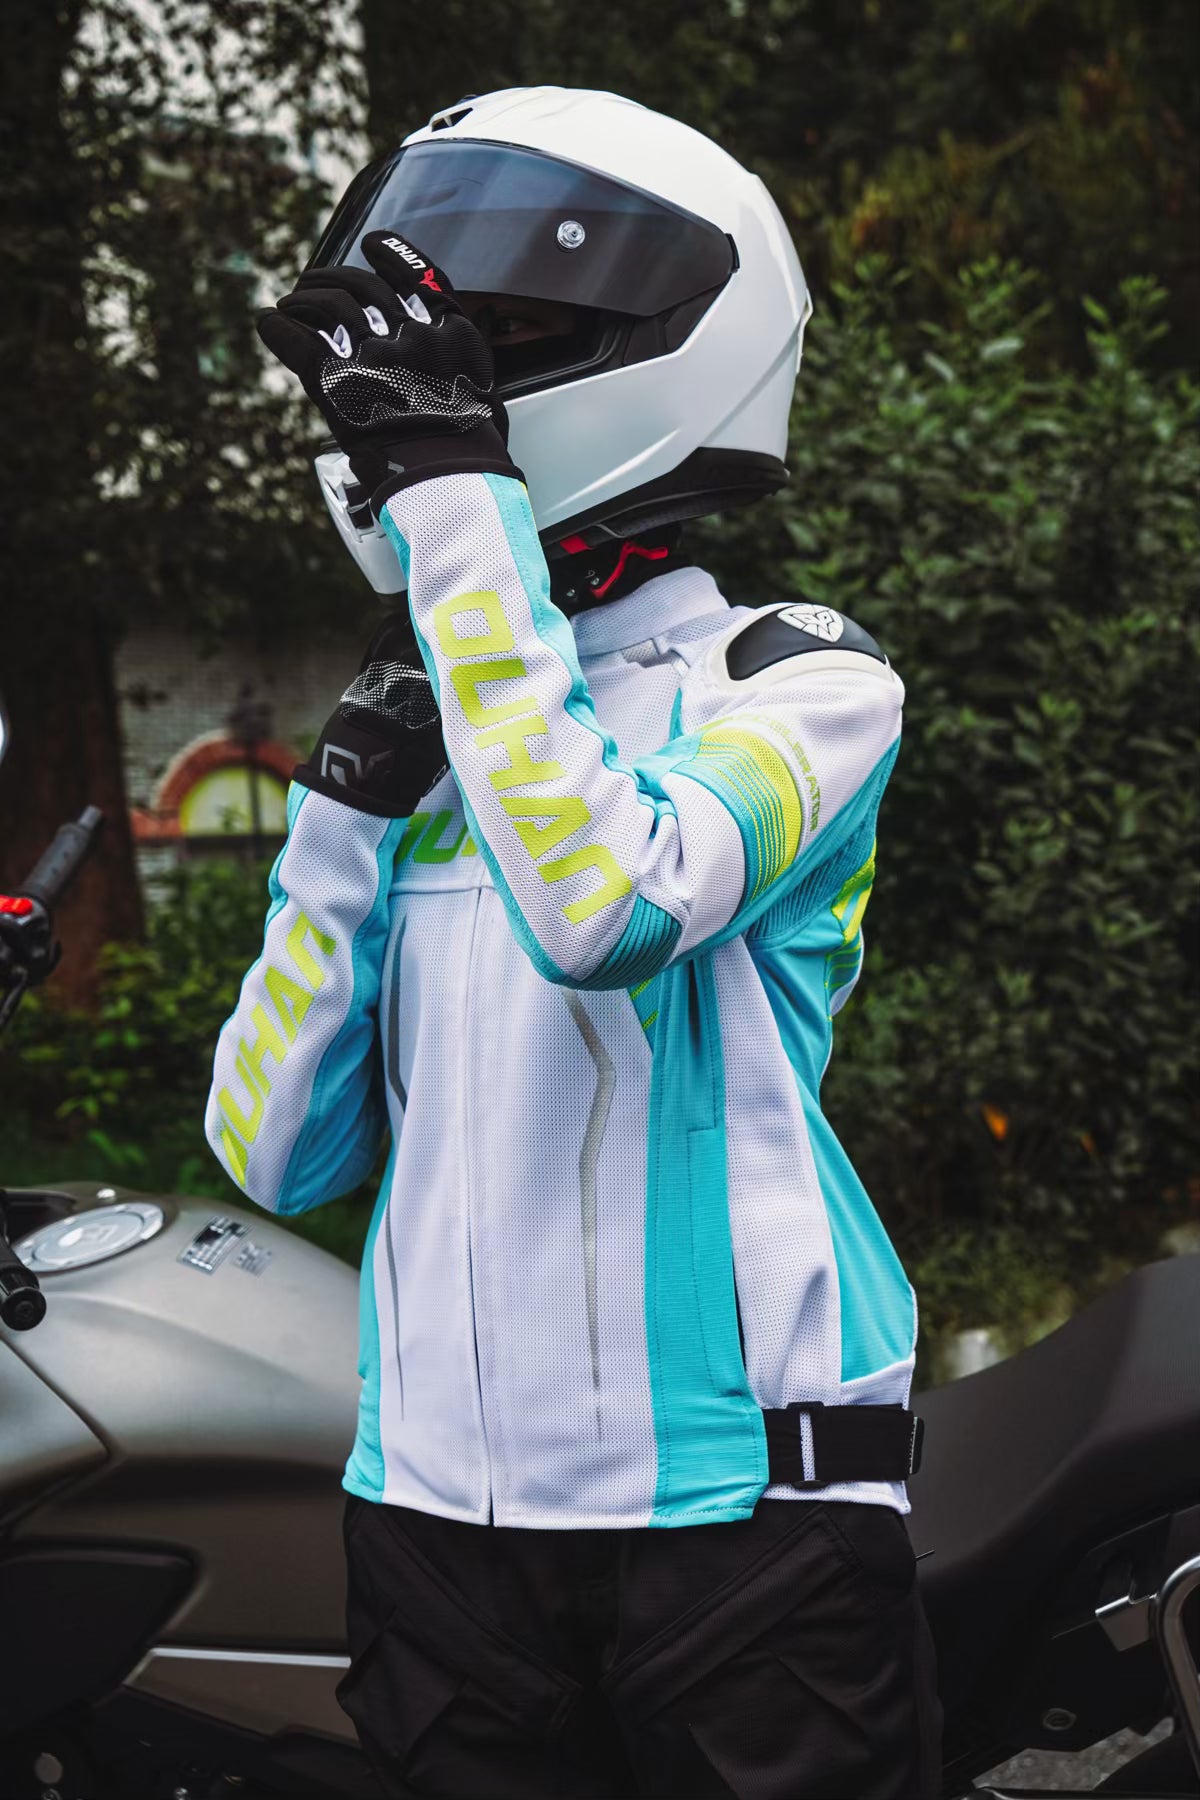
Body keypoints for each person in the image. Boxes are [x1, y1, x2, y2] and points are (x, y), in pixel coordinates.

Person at [207, 85, 942, 1800]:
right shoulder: (457, 714)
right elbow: (271, 1151)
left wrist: (460, 511)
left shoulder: (801, 684)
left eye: (494, 348)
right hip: (438, 1531)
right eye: (431, 361)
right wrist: (342, 823)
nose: (429, 402)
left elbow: (604, 905)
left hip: (738, 1528)